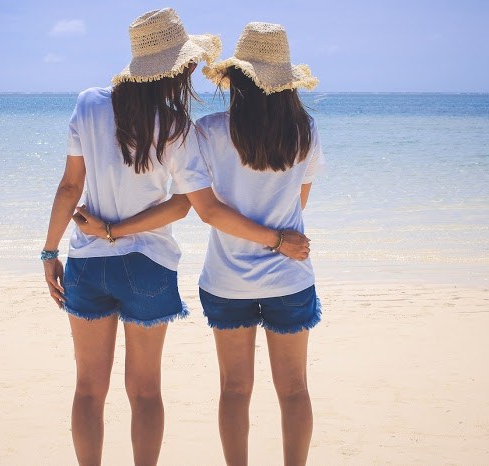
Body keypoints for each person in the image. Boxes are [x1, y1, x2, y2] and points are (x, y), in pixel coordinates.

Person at [78, 21, 324, 466]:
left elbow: (204, 208)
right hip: (289, 277)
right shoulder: (305, 130)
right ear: (287, 84)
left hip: (227, 279)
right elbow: (298, 201)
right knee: (294, 391)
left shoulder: (207, 131)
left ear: (236, 80)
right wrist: (279, 240)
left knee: (234, 389)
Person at [41, 8, 221, 465]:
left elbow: (70, 187)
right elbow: (183, 205)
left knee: (88, 389)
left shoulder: (89, 103)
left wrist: (48, 252)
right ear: (176, 69)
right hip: (148, 264)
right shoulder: (176, 125)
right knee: (145, 391)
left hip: (87, 263)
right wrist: (117, 232)